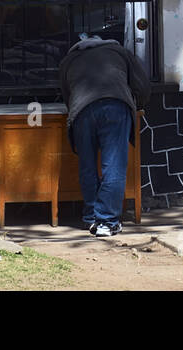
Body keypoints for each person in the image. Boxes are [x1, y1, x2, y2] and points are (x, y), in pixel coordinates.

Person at [59, 34, 151, 236]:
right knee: (113, 166)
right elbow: (142, 85)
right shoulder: (119, 52)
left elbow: (67, 94)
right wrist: (139, 104)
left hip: (81, 110)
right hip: (116, 106)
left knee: (88, 166)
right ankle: (107, 222)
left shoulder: (69, 60)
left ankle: (92, 217)